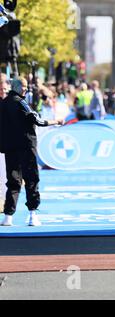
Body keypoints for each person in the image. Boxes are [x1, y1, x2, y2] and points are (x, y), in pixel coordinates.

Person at [0, 77, 64, 226]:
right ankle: (32, 214)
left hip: (10, 147)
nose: (26, 89)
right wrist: (56, 122)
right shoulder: (21, 103)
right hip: (26, 146)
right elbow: (38, 121)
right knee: (31, 179)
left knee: (13, 181)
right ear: (16, 87)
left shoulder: (3, 104)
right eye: (23, 87)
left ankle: (8, 215)